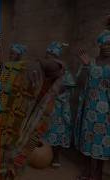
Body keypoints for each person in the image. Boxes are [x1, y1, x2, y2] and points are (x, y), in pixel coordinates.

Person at [1, 43, 65, 179]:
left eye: (53, 55)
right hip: (20, 114)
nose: (50, 57)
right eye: (49, 54)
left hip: (36, 118)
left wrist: (36, 62)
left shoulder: (56, 67)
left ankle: (11, 171)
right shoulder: (18, 69)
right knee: (9, 146)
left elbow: (53, 68)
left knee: (22, 150)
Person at [75, 30, 110, 180]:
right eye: (105, 44)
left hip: (106, 111)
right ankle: (87, 173)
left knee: (101, 143)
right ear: (100, 45)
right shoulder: (92, 62)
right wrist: (86, 66)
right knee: (88, 141)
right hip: (89, 108)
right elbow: (79, 83)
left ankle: (97, 176)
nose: (108, 47)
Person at [42, 42, 76, 168]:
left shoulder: (63, 72)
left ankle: (55, 157)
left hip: (57, 107)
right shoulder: (43, 70)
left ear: (56, 57)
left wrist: (55, 92)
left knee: (56, 132)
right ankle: (43, 155)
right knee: (42, 131)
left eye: (50, 55)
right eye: (47, 55)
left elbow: (66, 89)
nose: (48, 57)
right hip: (44, 106)